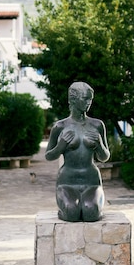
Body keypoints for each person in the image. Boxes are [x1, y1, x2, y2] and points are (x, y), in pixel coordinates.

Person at [46, 82, 110, 222]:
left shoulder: (97, 125)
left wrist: (99, 145)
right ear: (73, 99)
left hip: (91, 180)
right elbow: (49, 155)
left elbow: (104, 157)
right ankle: (64, 210)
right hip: (67, 182)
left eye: (90, 99)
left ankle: (92, 206)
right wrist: (60, 146)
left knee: (91, 212)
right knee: (71, 212)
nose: (88, 103)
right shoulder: (60, 126)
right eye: (85, 99)